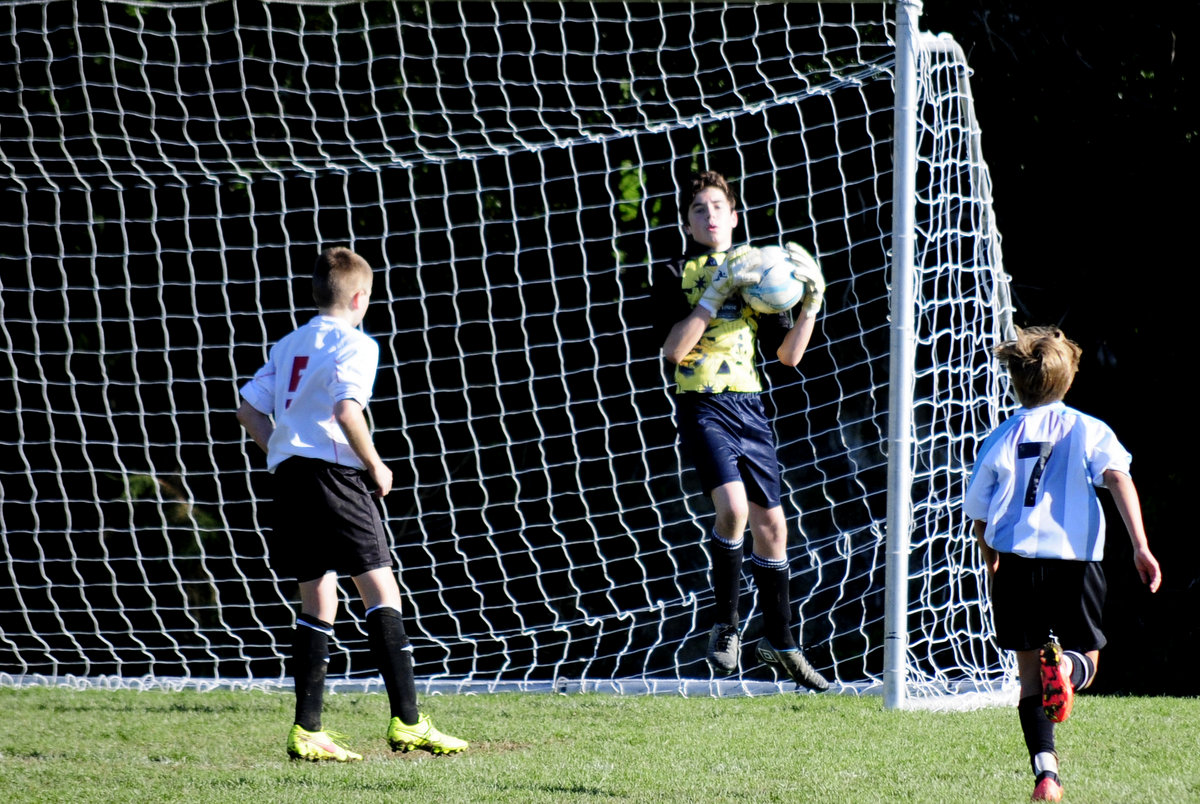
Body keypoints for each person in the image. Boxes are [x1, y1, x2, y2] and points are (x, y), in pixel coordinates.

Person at [236, 247, 467, 761]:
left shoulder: (291, 342)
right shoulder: (356, 344)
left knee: (317, 598)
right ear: (361, 297)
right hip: (335, 475)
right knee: (380, 587)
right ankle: (409, 722)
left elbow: (248, 408)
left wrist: (280, 447)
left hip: (289, 477)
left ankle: (308, 730)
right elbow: (346, 409)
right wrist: (376, 464)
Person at [963, 326, 1161, 802]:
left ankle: (1046, 776)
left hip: (1016, 561)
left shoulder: (999, 437)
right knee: (1088, 654)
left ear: (1015, 380)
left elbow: (979, 515)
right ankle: (1069, 670)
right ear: (1069, 380)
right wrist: (1140, 544)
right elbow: (1117, 476)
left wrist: (991, 562)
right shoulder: (1089, 429)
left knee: (1029, 678)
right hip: (1075, 561)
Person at [654, 170, 829, 690]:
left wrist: (811, 303)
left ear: (734, 216)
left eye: (717, 207)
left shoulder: (758, 270)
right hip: (701, 403)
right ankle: (725, 626)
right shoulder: (674, 272)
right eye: (698, 210)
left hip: (749, 408)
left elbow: (789, 357)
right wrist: (714, 293)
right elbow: (673, 351)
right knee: (732, 510)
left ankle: (780, 641)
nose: (709, 216)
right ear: (688, 223)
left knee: (773, 528)